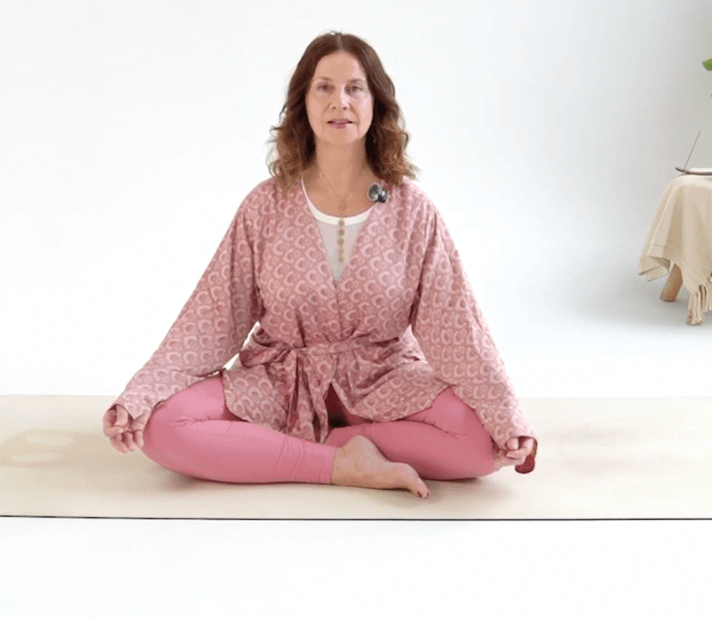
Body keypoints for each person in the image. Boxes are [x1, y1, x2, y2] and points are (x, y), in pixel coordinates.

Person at [102, 31, 537, 499]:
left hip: (383, 378)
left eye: (355, 88)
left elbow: (457, 327)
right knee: (163, 428)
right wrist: (140, 395)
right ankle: (337, 463)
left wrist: (506, 417)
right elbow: (211, 318)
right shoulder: (265, 206)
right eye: (324, 87)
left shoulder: (412, 210)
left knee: (481, 446)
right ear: (303, 104)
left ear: (376, 104)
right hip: (280, 381)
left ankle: (295, 446)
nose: (339, 102)